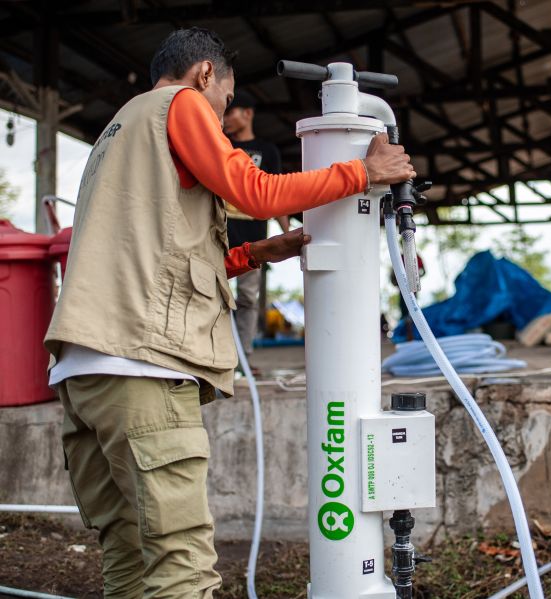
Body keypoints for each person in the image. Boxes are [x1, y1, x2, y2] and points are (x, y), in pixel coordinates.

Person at [44, 27, 414, 596]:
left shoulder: (118, 130)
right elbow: (254, 191)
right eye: (222, 104)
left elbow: (160, 249)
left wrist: (259, 252)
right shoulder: (182, 103)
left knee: (129, 556)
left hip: (83, 371)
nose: (219, 120)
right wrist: (365, 174)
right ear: (206, 76)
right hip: (143, 367)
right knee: (181, 566)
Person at [222, 89, 288, 371]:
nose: (224, 118)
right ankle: (215, 356)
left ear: (247, 113)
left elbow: (278, 194)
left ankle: (242, 358)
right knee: (213, 295)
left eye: (229, 111)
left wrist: (286, 234)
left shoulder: (267, 151)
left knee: (247, 298)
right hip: (219, 232)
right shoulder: (220, 145)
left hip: (254, 238)